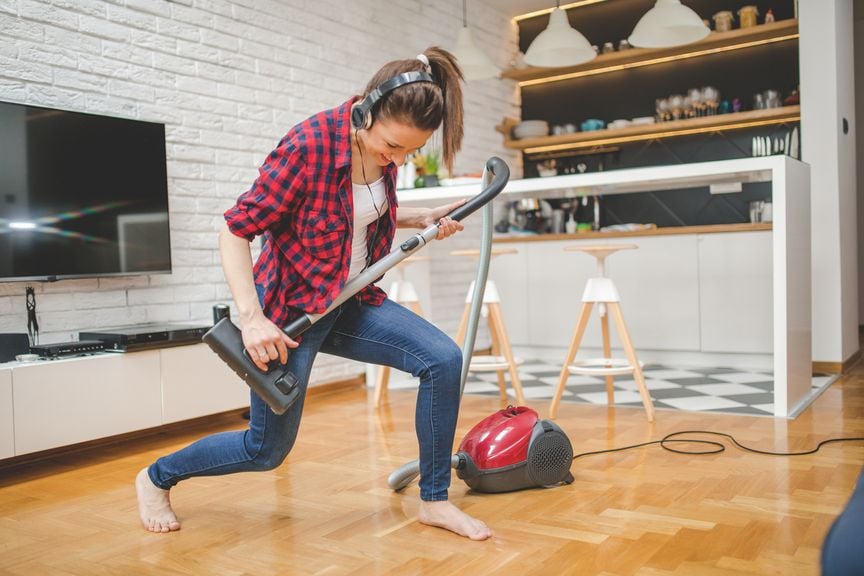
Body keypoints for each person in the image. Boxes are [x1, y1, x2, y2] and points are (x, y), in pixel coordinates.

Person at [135, 47, 494, 541]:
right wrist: (251, 318)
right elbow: (235, 231)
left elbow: (359, 209)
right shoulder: (307, 148)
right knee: (266, 451)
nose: (397, 159)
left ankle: (434, 500)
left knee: (442, 359)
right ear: (366, 113)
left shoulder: (383, 146)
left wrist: (418, 217)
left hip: (350, 301)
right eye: (392, 147)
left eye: (408, 153)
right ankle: (157, 476)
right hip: (288, 315)